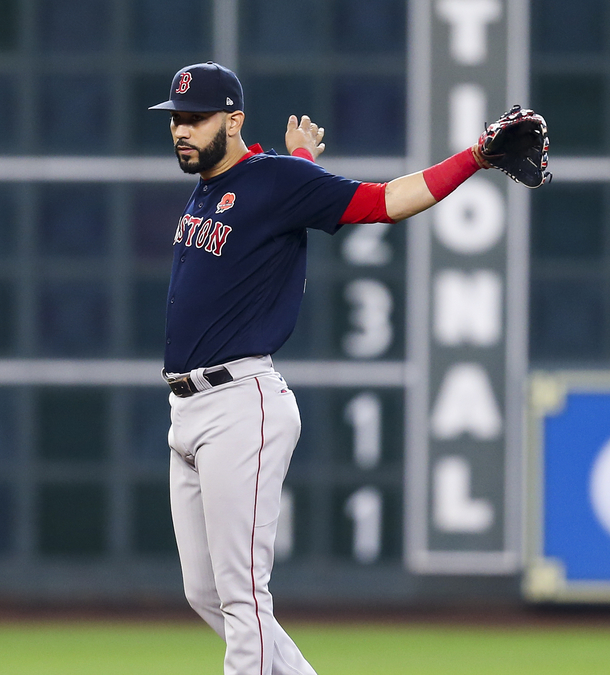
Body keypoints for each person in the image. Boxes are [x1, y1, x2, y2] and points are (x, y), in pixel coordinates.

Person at [149, 62, 491, 675]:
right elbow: (268, 198)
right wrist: (304, 163)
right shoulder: (223, 184)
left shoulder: (274, 180)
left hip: (240, 403)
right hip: (187, 411)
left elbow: (385, 202)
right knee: (209, 595)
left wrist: (475, 156)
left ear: (234, 119)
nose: (183, 130)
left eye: (197, 119)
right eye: (177, 119)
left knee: (244, 597)